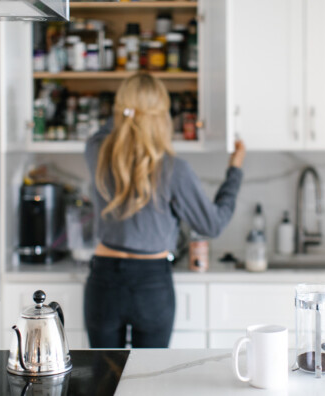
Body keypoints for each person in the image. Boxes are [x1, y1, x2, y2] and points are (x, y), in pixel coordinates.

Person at [84, 73, 245, 348]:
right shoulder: (173, 169)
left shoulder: (97, 151)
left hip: (104, 281)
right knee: (151, 381)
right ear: (161, 116)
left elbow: (109, 128)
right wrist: (235, 170)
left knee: (103, 381)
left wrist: (127, 109)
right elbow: (212, 225)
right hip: (152, 283)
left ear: (121, 109)